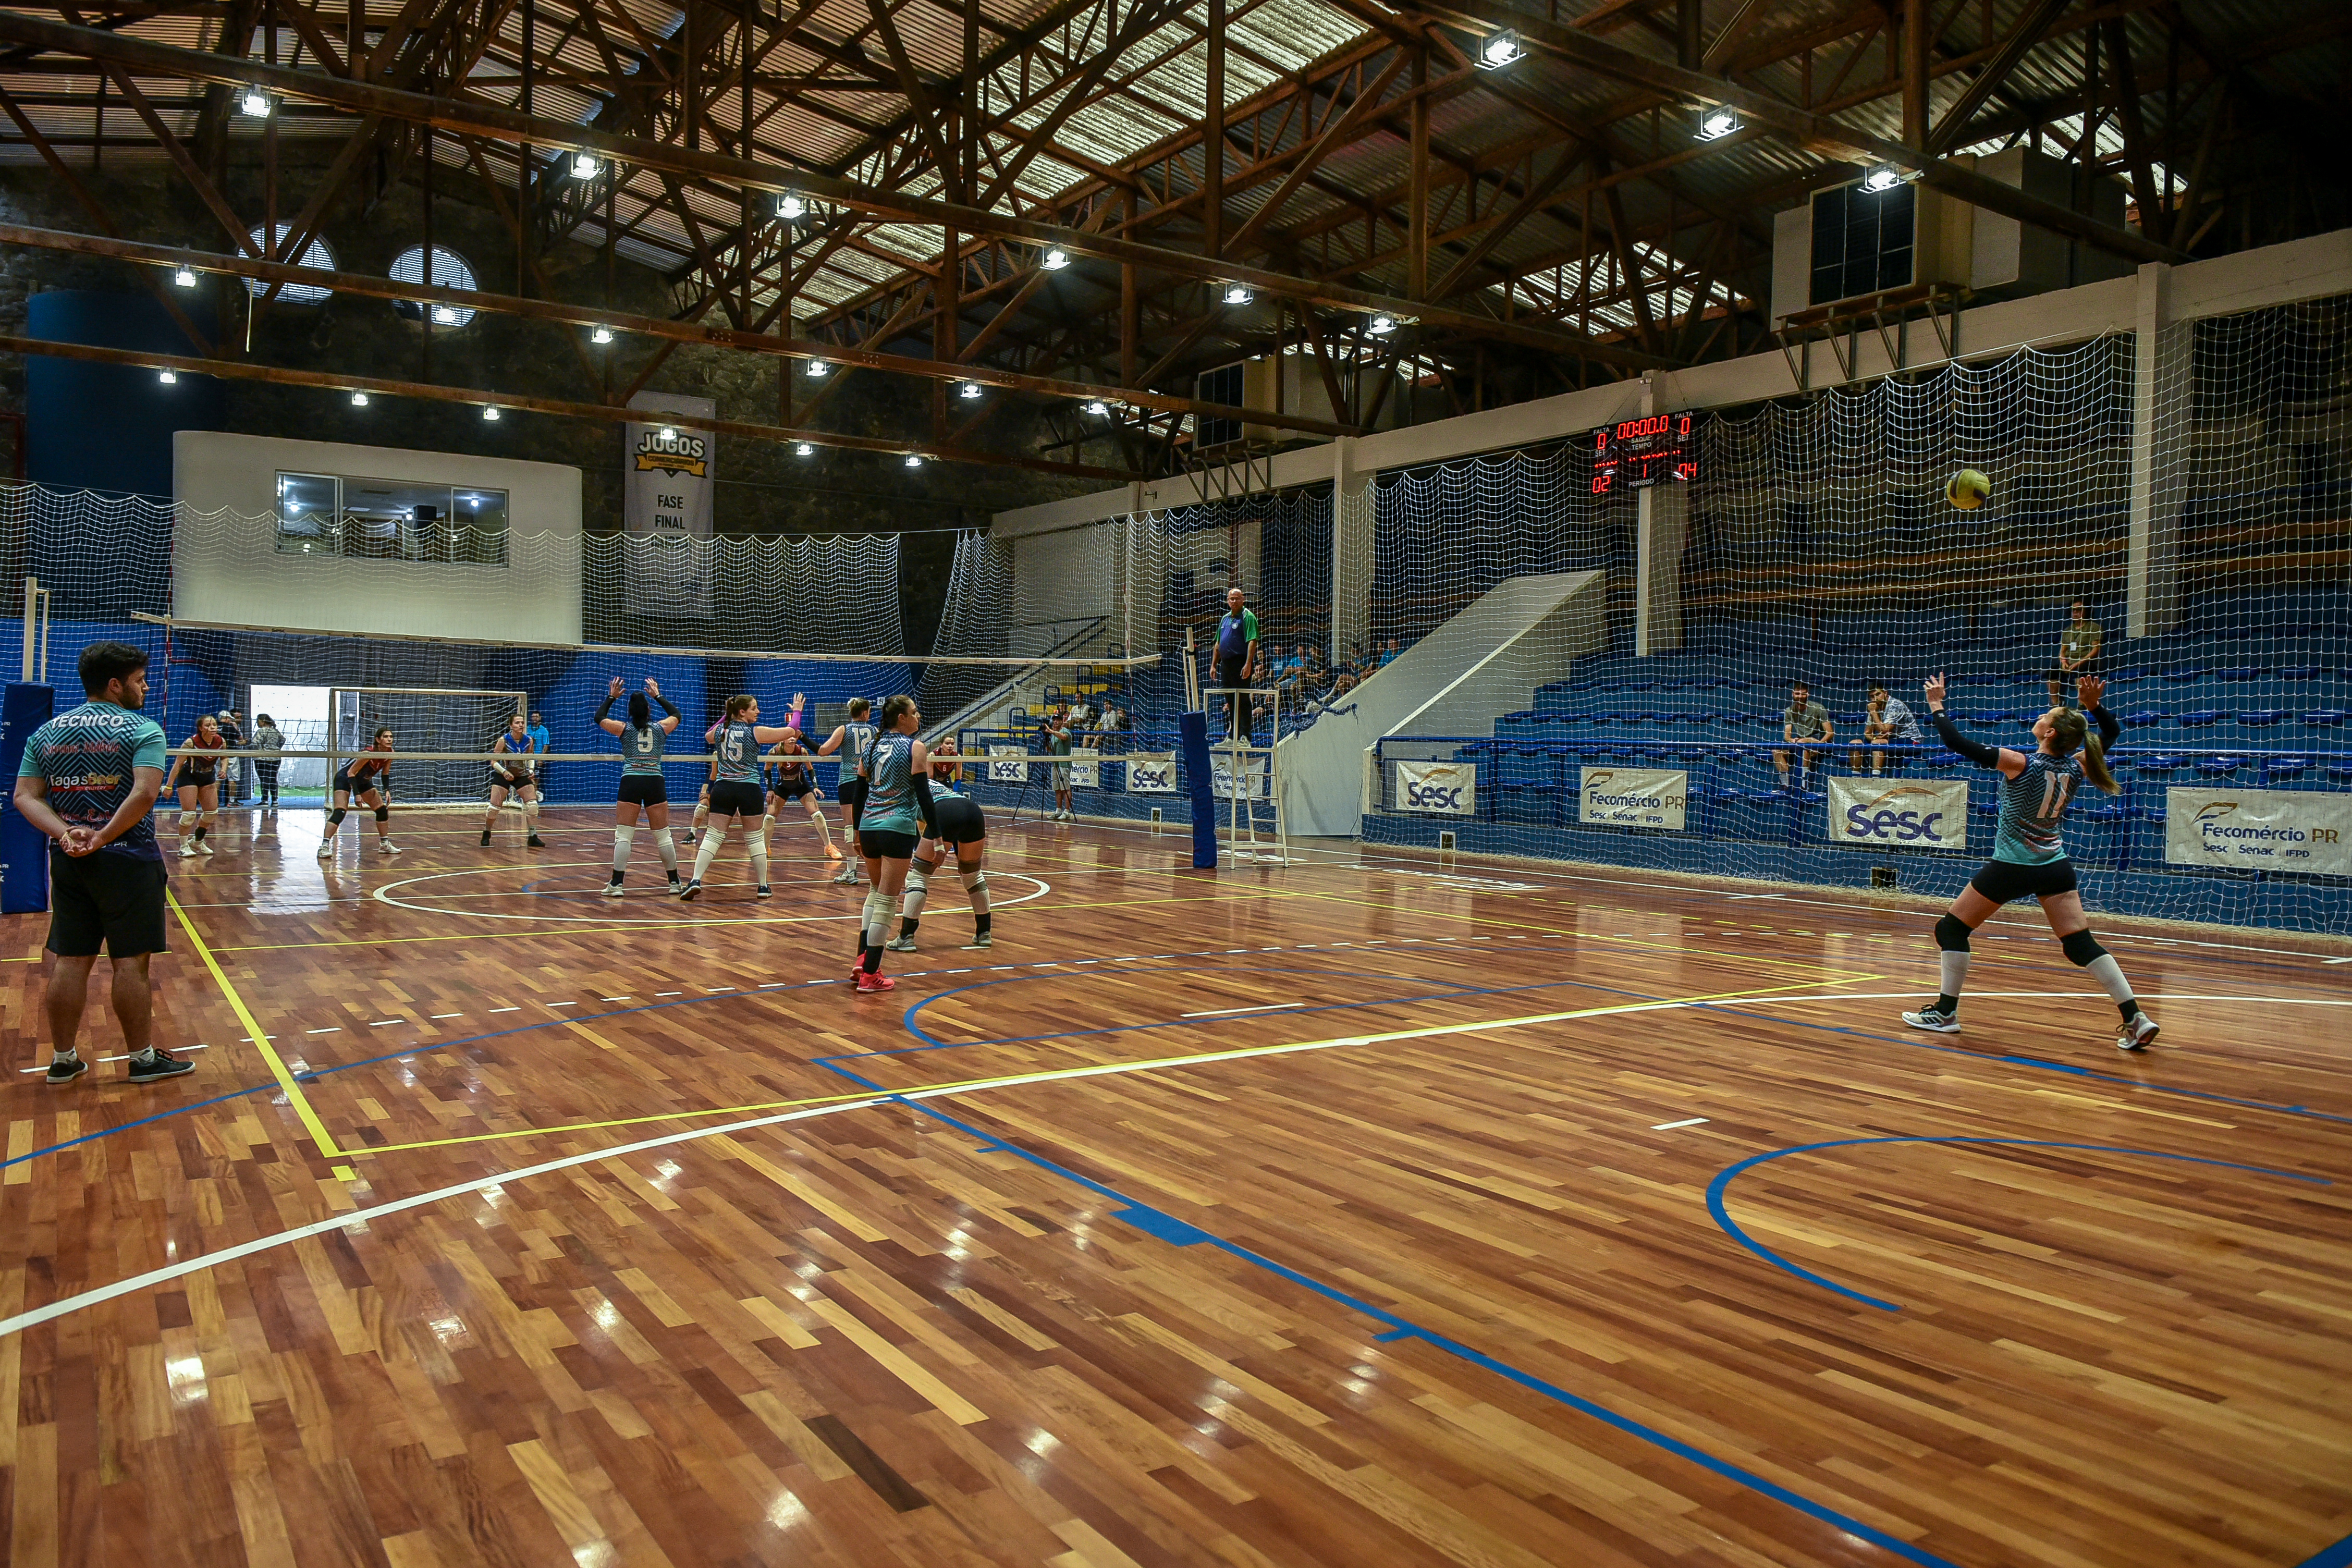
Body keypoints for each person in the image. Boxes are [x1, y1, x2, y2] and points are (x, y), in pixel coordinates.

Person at [1902, 673, 2159, 1050]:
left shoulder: (2021, 764)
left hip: (2012, 866)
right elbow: (2112, 731)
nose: (2041, 715)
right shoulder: (2077, 767)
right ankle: (2135, 1017)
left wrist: (1937, 704)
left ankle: (1945, 1014)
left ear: (2050, 733)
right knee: (2079, 944)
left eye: (2048, 714)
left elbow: (1955, 742)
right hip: (2054, 865)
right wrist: (2094, 707)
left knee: (1951, 931)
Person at [12, 641, 195, 1085]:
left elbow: (24, 796)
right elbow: (146, 793)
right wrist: (104, 836)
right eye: (139, 681)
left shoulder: (46, 733)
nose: (146, 688)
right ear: (115, 685)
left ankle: (63, 1059)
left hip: (71, 861)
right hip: (129, 860)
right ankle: (142, 1059)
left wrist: (66, 833)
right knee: (131, 961)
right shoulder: (143, 730)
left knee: (71, 959)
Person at [850, 693, 936, 992]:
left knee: (875, 894)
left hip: (869, 826)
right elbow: (924, 795)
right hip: (897, 827)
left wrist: (856, 832)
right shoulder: (915, 747)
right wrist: (935, 835)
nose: (918, 717)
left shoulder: (871, 746)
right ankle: (870, 975)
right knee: (887, 901)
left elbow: (859, 792)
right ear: (901, 718)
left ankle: (863, 960)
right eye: (914, 712)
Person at [682, 693, 801, 901]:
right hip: (748, 788)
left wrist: (726, 716)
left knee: (712, 836)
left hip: (724, 788)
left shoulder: (720, 731)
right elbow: (790, 731)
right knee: (755, 839)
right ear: (742, 712)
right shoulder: (756, 732)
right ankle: (763, 886)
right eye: (754, 708)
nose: (759, 712)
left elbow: (708, 735)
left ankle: (695, 880)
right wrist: (797, 711)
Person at [889, 743, 990, 953]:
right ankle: (984, 933)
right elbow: (923, 825)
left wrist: (912, 856)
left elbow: (907, 826)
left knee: (918, 876)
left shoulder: (900, 791)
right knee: (973, 876)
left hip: (944, 812)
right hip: (972, 811)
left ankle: (906, 937)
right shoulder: (928, 781)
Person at [594, 676, 683, 897]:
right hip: (655, 780)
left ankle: (617, 884)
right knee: (663, 835)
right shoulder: (661, 728)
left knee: (624, 835)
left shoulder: (623, 729)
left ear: (631, 711)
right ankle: (674, 883)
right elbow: (677, 715)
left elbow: (599, 717)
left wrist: (611, 696)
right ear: (648, 710)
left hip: (631, 780)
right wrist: (658, 695)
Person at [815, 697, 878, 887]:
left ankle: (851, 871)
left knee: (851, 827)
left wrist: (803, 737)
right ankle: (884, 869)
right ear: (866, 713)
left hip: (849, 782)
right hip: (871, 782)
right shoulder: (875, 731)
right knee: (875, 825)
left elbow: (823, 751)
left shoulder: (844, 729)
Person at [764, 724, 844, 869]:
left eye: (794, 737)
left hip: (801, 785)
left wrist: (815, 787)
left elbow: (810, 769)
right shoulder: (775, 752)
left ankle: (828, 846)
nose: (793, 739)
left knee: (818, 814)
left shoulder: (801, 751)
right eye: (789, 737)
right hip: (782, 787)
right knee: (769, 817)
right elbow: (767, 769)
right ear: (782, 739)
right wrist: (770, 790)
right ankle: (765, 847)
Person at [318, 726, 399, 856]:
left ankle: (384, 845)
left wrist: (387, 791)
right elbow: (351, 773)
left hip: (363, 781)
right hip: (345, 778)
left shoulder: (390, 753)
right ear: (378, 740)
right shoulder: (368, 754)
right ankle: (324, 846)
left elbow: (385, 773)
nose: (389, 739)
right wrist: (357, 794)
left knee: (382, 810)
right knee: (340, 812)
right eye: (386, 737)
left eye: (391, 737)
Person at [164, 714, 227, 859]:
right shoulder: (191, 742)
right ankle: (183, 847)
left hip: (207, 778)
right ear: (200, 728)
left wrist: (224, 769)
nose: (212, 728)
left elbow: (225, 757)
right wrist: (168, 786)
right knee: (188, 815)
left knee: (212, 812)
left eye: (214, 725)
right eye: (208, 726)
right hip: (189, 778)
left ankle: (197, 841)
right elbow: (178, 765)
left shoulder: (221, 741)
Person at [480, 714, 546, 849]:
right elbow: (493, 761)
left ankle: (532, 837)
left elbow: (531, 757)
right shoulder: (503, 740)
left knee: (533, 805)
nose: (521, 725)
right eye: (517, 723)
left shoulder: (529, 740)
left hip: (521, 775)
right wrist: (504, 771)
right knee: (494, 808)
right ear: (511, 726)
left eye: (522, 723)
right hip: (503, 774)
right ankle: (487, 832)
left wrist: (531, 769)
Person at [1209, 586, 1259, 740]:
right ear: (1227, 601)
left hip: (1240, 662)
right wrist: (1213, 665)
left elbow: (1252, 641)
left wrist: (1248, 664)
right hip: (1226, 664)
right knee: (1230, 700)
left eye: (1238, 598)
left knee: (1243, 699)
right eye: (1232, 599)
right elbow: (1218, 643)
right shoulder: (1225, 618)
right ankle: (1233, 735)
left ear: (1243, 599)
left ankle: (1245, 736)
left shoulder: (1248, 617)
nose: (1234, 601)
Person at [1852, 683, 1924, 776]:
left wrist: (1873, 712)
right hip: (1889, 740)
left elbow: (1885, 730)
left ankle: (1876, 777)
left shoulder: (1895, 705)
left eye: (1878, 694)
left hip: (1910, 740)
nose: (1875, 698)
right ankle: (1855, 777)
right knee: (1855, 743)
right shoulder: (1875, 707)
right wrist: (1874, 738)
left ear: (1885, 693)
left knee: (1879, 743)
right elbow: (1868, 733)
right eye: (1872, 696)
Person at [1773, 680, 1833, 790]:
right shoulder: (1789, 711)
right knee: (1776, 751)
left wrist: (1818, 746)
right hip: (1801, 741)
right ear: (1793, 694)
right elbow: (1787, 737)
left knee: (1803, 746)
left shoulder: (1818, 708)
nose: (1800, 697)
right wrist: (1792, 740)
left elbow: (1830, 733)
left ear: (1808, 694)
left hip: (1819, 739)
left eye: (1803, 694)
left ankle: (1803, 784)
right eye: (1797, 694)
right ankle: (1786, 784)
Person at [2047, 599, 2103, 707]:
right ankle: (2056, 703)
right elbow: (2062, 651)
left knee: (2082, 671)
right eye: (2074, 610)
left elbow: (2095, 650)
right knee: (2052, 672)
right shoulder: (2068, 631)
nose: (2076, 613)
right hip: (2070, 662)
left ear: (2086, 611)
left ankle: (2082, 703)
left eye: (2079, 610)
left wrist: (2078, 663)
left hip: (2086, 661)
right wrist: (2063, 661)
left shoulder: (2094, 627)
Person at [1046, 704, 1075, 822]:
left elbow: (1064, 738)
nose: (1056, 722)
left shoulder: (1065, 731)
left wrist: (1051, 731)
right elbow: (1050, 749)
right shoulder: (1053, 734)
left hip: (1064, 764)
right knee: (1057, 789)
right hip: (1055, 764)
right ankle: (1058, 811)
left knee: (1066, 788)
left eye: (1058, 720)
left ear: (1062, 721)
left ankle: (1067, 812)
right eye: (1054, 720)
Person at [250, 713, 285, 807]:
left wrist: (249, 747)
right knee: (273, 779)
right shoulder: (276, 732)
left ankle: (265, 800)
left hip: (263, 758)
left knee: (264, 779)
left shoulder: (262, 731)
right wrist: (276, 748)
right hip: (276, 758)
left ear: (262, 721)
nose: (257, 724)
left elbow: (254, 744)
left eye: (258, 721)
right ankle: (275, 801)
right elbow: (283, 740)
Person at [217, 709, 246, 803]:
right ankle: (232, 802)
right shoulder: (230, 727)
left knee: (217, 778)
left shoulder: (214, 727)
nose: (231, 720)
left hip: (217, 755)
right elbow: (240, 739)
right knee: (233, 779)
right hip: (231, 755)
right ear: (226, 718)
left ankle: (214, 802)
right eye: (230, 719)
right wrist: (235, 727)